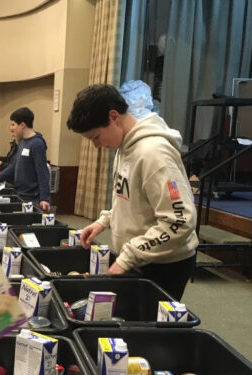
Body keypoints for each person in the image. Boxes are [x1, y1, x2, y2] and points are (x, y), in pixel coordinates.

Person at [66, 84, 198, 300]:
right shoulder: (124, 148)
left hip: (163, 265)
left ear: (114, 116)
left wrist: (128, 258)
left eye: (96, 137)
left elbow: (180, 220)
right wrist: (105, 220)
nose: (96, 146)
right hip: (141, 258)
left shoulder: (154, 153)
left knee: (146, 330)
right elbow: (129, 198)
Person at [0, 107, 50, 211]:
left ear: (22, 125)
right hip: (21, 194)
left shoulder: (37, 144)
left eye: (13, 124)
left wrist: (45, 198)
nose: (11, 128)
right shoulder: (22, 142)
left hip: (33, 198)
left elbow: (43, 172)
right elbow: (15, 165)